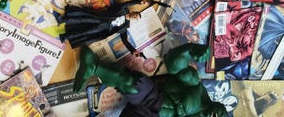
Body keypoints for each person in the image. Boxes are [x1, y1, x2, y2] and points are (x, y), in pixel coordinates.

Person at [74, 43, 227, 117]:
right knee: (134, 84)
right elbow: (174, 64)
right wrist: (191, 50)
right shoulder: (197, 90)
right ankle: (93, 66)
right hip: (154, 98)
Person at [58, 0, 170, 52]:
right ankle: (64, 19)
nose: (134, 17)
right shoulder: (123, 10)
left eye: (135, 18)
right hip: (101, 17)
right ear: (133, 12)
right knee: (83, 19)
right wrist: (139, 1)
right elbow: (127, 3)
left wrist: (133, 50)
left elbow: (125, 41)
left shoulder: (125, 27)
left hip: (103, 28)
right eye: (135, 15)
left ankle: (65, 36)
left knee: (86, 32)